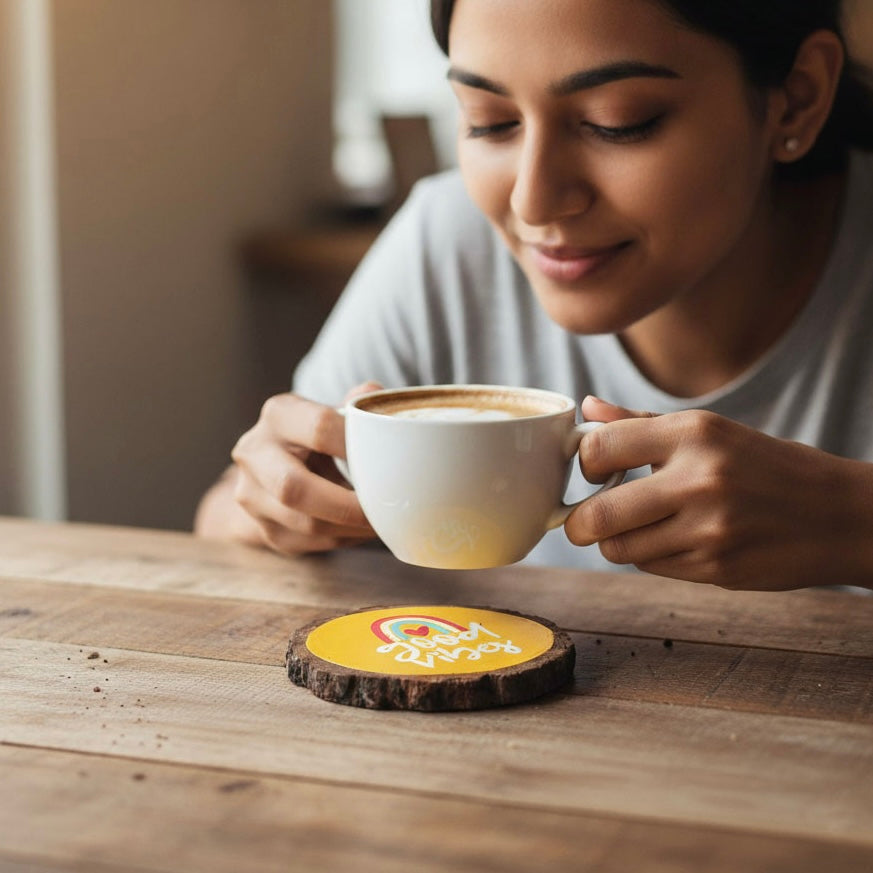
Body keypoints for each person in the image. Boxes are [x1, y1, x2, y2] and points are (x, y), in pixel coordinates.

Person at [195, 0, 873, 592]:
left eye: (617, 122)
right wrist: (273, 503)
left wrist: (849, 518)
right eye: (489, 122)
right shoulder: (450, 238)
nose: (532, 198)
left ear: (798, 96)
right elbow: (226, 520)